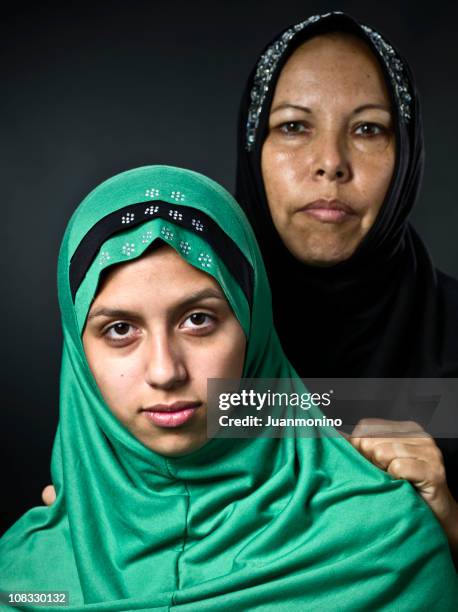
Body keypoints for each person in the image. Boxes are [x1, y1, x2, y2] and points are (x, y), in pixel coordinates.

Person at [1, 165, 457, 610]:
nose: (165, 371)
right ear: (79, 356)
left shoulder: (384, 544)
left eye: (198, 320)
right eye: (120, 329)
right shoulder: (24, 576)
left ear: (252, 327)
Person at [235, 11, 458, 556]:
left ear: (405, 154)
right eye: (293, 126)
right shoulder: (180, 335)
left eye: (367, 129)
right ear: (253, 148)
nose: (331, 164)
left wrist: (451, 524)